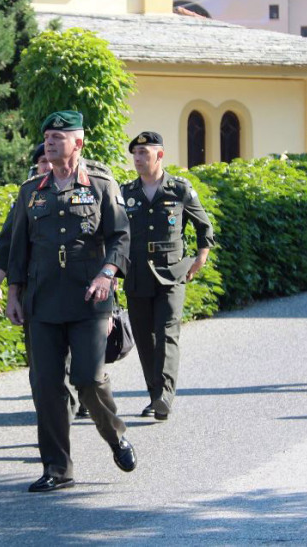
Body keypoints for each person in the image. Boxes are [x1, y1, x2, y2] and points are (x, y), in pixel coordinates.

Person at [6, 110, 136, 493]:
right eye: (47, 136)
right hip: (42, 301)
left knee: (88, 379)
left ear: (77, 143)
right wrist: (14, 294)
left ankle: (115, 437)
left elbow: (121, 237)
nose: (50, 142)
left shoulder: (99, 183)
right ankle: (57, 469)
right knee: (45, 385)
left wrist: (107, 274)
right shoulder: (32, 191)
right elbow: (18, 249)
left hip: (89, 300)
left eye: (58, 137)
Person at [121, 131, 213, 421]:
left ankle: (165, 396)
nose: (138, 159)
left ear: (159, 155)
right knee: (144, 339)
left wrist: (200, 257)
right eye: (135, 154)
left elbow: (204, 227)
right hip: (136, 274)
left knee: (166, 334)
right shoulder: (126, 193)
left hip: (171, 274)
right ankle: (154, 396)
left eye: (144, 154)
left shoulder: (179, 189)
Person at [0, 144, 85, 418]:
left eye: (48, 160)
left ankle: (84, 393)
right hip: (38, 291)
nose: (46, 165)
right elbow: (7, 244)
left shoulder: (85, 189)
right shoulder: (27, 196)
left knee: (82, 361)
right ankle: (55, 419)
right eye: (41, 162)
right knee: (43, 367)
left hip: (78, 291)